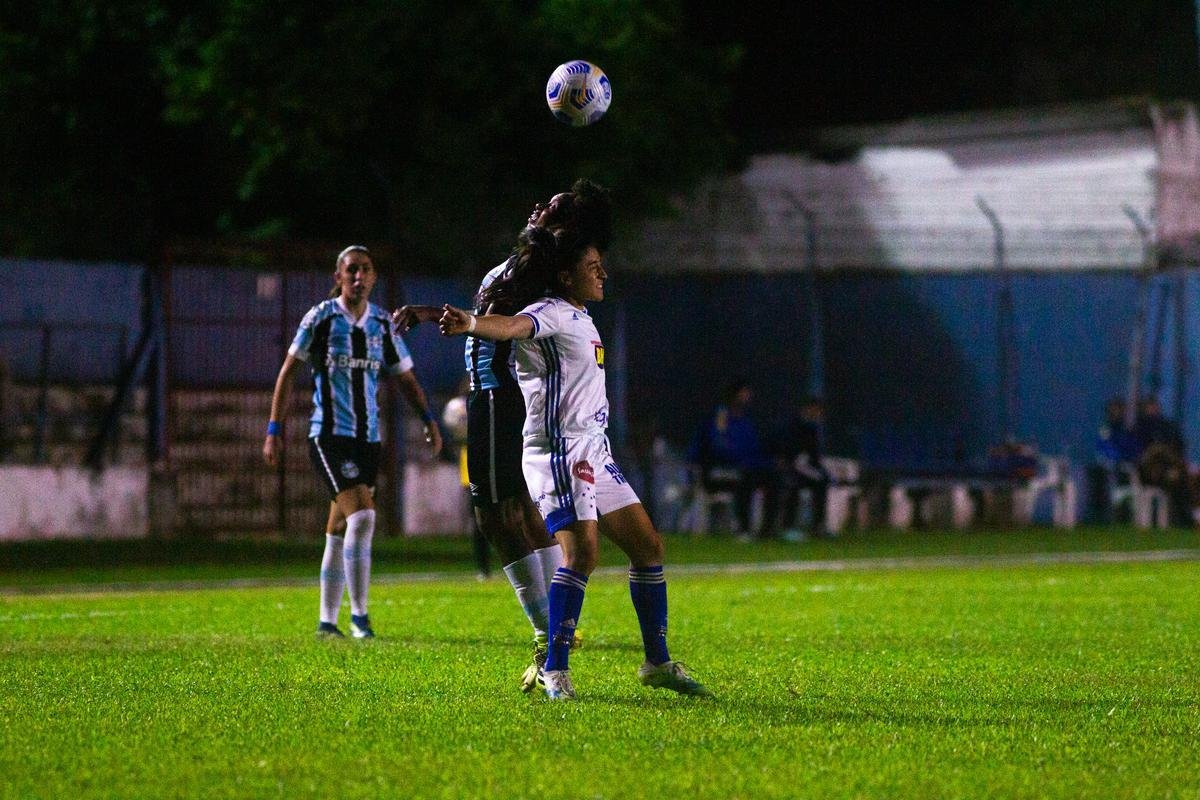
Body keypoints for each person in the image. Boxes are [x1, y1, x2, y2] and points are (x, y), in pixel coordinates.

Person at [438, 226, 710, 701]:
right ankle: (555, 672)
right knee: (581, 554)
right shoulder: (550, 312)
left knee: (647, 546)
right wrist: (472, 323)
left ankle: (657, 662)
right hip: (559, 450)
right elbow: (514, 327)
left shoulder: (582, 317)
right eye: (591, 267)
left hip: (594, 450)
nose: (603, 272)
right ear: (565, 276)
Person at [393, 180, 608, 691]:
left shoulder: (537, 275)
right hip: (487, 397)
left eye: (550, 210)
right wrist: (431, 314)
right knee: (510, 516)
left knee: (499, 516)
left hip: (502, 394)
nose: (537, 207)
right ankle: (553, 630)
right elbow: (481, 315)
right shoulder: (507, 269)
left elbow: (509, 324)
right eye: (540, 203)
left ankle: (549, 633)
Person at [263, 245, 442, 639]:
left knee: (341, 526)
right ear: (338, 277)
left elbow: (406, 378)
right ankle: (360, 618)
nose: (359, 277)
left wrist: (429, 419)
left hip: (368, 439)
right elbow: (287, 372)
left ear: (374, 277)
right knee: (363, 517)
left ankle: (327, 622)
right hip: (329, 435)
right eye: (351, 271)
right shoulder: (321, 319)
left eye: (365, 270)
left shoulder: (382, 324)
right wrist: (274, 430)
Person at [687, 380, 779, 539]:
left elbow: (754, 450)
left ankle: (767, 530)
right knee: (746, 478)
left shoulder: (745, 422)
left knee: (774, 478)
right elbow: (718, 447)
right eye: (744, 393)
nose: (748, 396)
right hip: (717, 472)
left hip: (742, 470)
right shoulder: (720, 418)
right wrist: (740, 462)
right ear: (734, 395)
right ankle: (744, 529)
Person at [775, 396, 832, 540]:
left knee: (822, 480)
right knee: (800, 483)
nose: (819, 414)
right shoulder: (793, 425)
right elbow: (789, 452)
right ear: (810, 409)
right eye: (818, 410)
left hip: (804, 468)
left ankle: (818, 526)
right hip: (791, 467)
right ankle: (788, 527)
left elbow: (813, 456)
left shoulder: (812, 428)